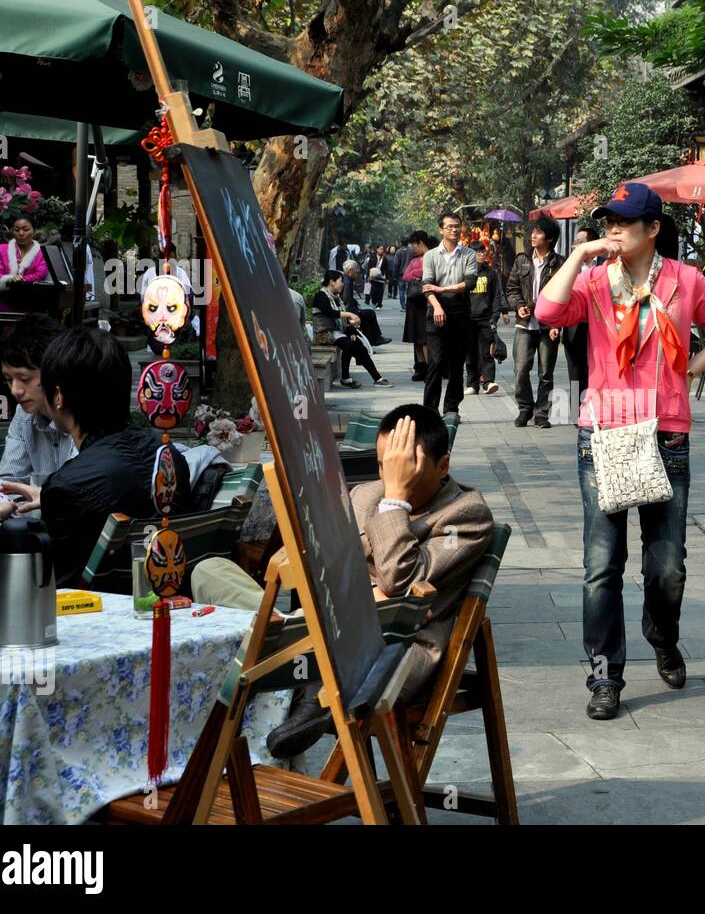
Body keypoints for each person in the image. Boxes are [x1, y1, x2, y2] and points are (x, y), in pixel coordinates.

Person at [536, 181, 705, 721]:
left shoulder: (685, 282)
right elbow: (547, 313)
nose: (613, 231)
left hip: (667, 432)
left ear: (653, 229)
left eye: (624, 223)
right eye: (608, 222)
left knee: (668, 565)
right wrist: (580, 253)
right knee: (601, 564)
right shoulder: (593, 281)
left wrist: (692, 367)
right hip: (604, 432)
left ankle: (662, 633)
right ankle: (605, 676)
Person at [192, 405, 495, 759]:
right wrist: (367, 591)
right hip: (327, 621)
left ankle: (304, 685)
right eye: (384, 465)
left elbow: (398, 581)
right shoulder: (364, 495)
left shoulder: (466, 517)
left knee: (345, 617)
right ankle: (287, 654)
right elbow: (322, 568)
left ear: (443, 466)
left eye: (405, 467)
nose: (391, 477)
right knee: (208, 570)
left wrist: (395, 500)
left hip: (391, 651)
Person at [0, 328, 194, 589]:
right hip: (168, 604)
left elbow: (44, 580)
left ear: (58, 397)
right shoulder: (169, 457)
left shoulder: (67, 487)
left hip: (99, 614)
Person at [0, 314, 77, 518]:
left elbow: (74, 497)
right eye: (9, 380)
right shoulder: (24, 415)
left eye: (24, 379)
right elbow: (6, 491)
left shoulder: (83, 418)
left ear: (54, 372)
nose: (15, 390)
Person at [505, 218, 565, 427]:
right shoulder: (521, 260)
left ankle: (542, 414)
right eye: (533, 232)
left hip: (548, 326)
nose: (533, 236)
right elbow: (511, 288)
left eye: (538, 233)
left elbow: (564, 295)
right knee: (520, 369)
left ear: (549, 238)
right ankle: (525, 408)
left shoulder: (560, 263)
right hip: (525, 324)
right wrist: (518, 305)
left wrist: (557, 323)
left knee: (545, 373)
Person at [421, 212, 477, 416]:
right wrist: (436, 305)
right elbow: (426, 285)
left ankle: (452, 408)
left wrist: (443, 289)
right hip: (436, 310)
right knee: (435, 362)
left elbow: (470, 283)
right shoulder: (430, 255)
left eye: (457, 226)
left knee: (456, 364)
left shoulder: (469, 254)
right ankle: (430, 410)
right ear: (441, 230)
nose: (454, 229)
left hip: (460, 312)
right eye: (450, 226)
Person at [311, 269, 389, 388]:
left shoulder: (336, 297)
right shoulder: (321, 296)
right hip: (324, 333)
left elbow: (340, 319)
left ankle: (371, 378)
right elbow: (330, 312)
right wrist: (350, 314)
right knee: (352, 346)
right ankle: (359, 378)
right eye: (340, 281)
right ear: (332, 282)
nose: (342, 284)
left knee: (356, 344)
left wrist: (351, 328)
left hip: (337, 332)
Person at [559, 226, 604, 424]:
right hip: (575, 325)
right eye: (574, 242)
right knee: (575, 370)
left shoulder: (607, 264)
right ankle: (577, 413)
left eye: (579, 242)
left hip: (600, 326)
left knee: (597, 369)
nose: (574, 245)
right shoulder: (570, 265)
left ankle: (597, 410)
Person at [0, 215, 50, 310]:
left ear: (34, 230)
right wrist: (9, 279)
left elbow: (41, 274)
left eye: (26, 230)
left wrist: (21, 279)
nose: (21, 233)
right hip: (4, 300)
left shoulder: (42, 252)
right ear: (12, 231)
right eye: (16, 230)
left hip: (32, 301)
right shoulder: (1, 249)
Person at [464, 243, 503, 395]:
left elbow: (497, 296)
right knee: (470, 353)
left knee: (486, 352)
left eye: (483, 252)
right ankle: (472, 384)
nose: (481, 254)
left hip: (486, 319)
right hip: (468, 319)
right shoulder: (465, 273)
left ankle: (488, 382)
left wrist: (496, 316)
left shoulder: (491, 273)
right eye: (478, 252)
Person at [402, 232, 436, 381]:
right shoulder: (414, 260)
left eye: (414, 246)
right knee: (416, 337)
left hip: (428, 302)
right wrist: (418, 274)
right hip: (414, 302)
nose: (413, 249)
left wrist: (416, 273)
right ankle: (420, 367)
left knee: (426, 338)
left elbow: (432, 273)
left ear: (421, 243)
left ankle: (431, 369)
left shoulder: (434, 256)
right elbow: (405, 276)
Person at [339, 259, 389, 348]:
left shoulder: (347, 280)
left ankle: (375, 339)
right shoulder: (347, 283)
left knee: (368, 314)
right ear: (350, 270)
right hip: (348, 312)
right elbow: (347, 303)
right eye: (356, 272)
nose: (357, 274)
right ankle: (375, 339)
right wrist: (353, 314)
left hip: (349, 310)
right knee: (369, 314)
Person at [393, 237, 415, 312]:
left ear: (401, 243)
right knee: (409, 290)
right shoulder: (412, 251)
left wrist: (395, 275)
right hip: (411, 274)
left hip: (401, 275)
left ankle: (403, 306)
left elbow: (396, 264)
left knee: (401, 291)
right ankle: (409, 305)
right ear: (408, 242)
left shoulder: (398, 252)